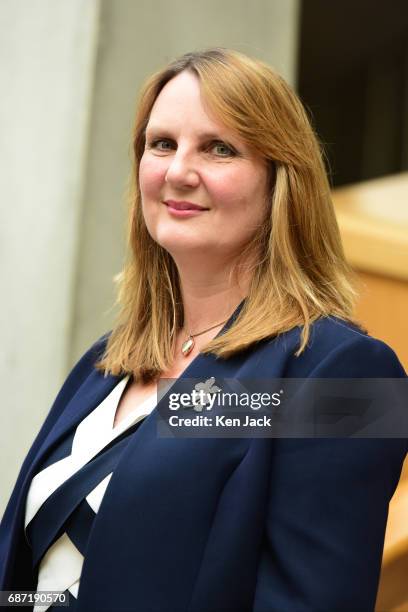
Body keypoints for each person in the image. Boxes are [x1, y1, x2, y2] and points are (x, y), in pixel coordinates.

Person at [0, 48, 406, 612]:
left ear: (280, 180)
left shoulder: (343, 373)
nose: (178, 171)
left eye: (220, 149)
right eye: (161, 144)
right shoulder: (107, 362)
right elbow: (39, 585)